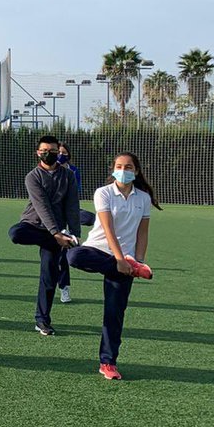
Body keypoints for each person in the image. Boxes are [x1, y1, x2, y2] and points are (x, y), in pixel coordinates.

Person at [66, 153, 160, 381]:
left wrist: (137, 260)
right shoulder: (103, 193)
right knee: (74, 256)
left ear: (136, 171)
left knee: (114, 313)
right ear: (113, 170)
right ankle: (123, 265)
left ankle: (108, 362)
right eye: (119, 166)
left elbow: (143, 232)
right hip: (99, 251)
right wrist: (119, 261)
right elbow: (108, 229)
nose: (123, 170)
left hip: (126, 261)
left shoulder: (144, 198)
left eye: (128, 167)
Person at [7, 134, 81, 337]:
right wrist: (56, 234)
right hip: (36, 226)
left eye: (53, 151)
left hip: (57, 232)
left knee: (49, 275)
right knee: (15, 233)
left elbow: (72, 206)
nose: (49, 154)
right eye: (44, 151)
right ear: (37, 153)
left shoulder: (68, 176)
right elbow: (42, 207)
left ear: (59, 152)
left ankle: (42, 321)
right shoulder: (32, 177)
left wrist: (74, 235)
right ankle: (55, 240)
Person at [56, 141, 98, 305]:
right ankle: (64, 288)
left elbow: (75, 192)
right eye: (58, 152)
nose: (61, 155)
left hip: (72, 211)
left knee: (93, 218)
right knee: (62, 255)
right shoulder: (47, 171)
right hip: (56, 216)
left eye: (64, 152)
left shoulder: (73, 171)